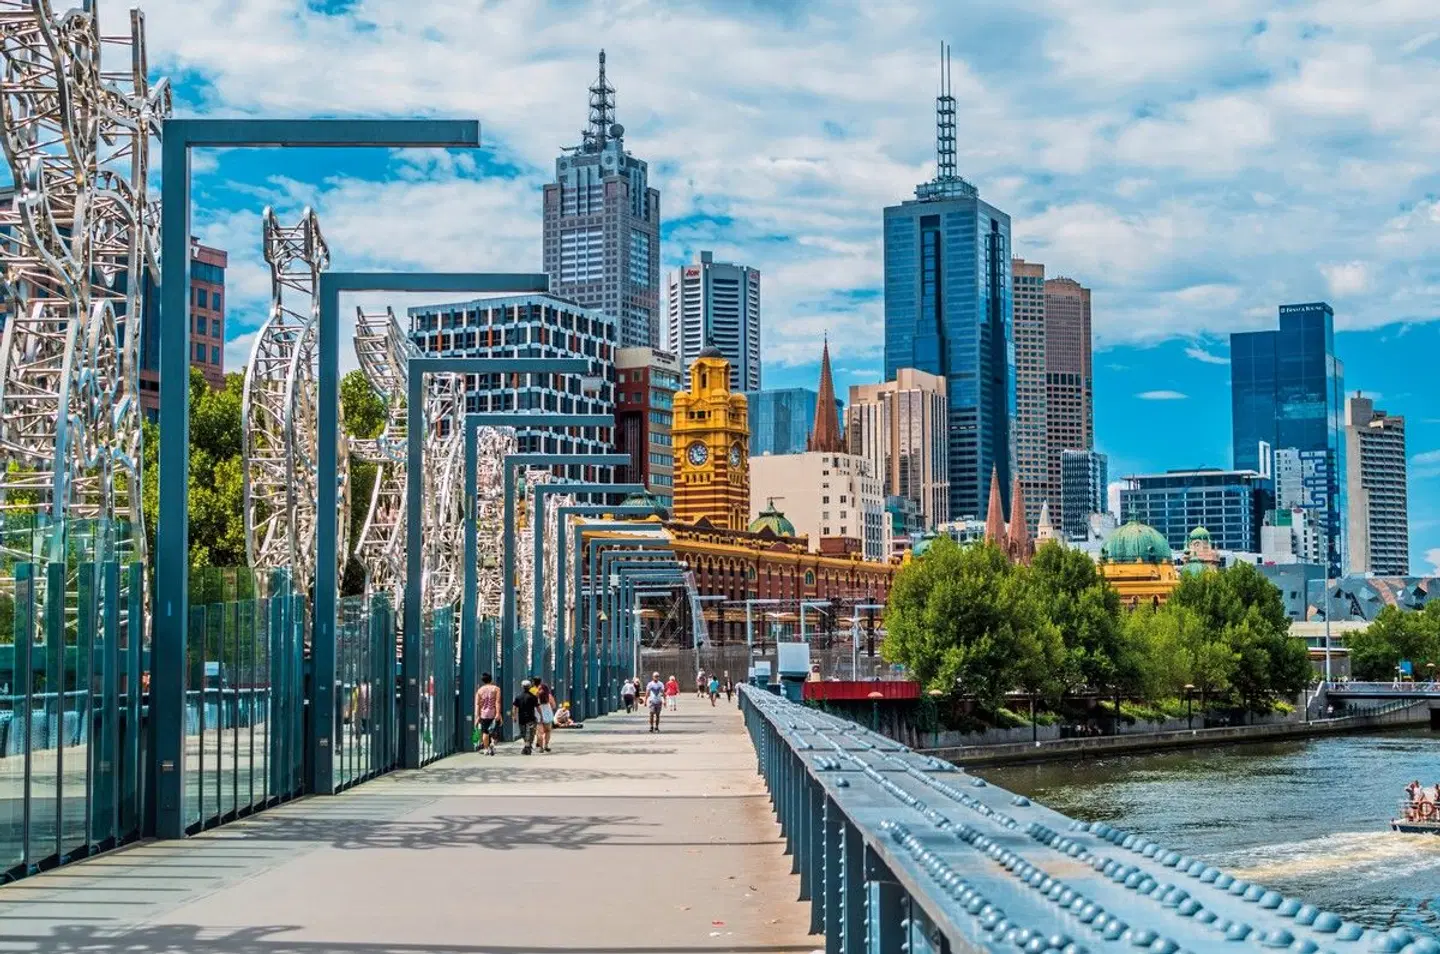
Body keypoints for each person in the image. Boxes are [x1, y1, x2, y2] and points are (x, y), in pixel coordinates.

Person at [475, 672, 501, 755]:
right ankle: (492, 744)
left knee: (485, 732)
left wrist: (477, 716)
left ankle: (486, 749)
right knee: (494, 731)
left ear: (483, 680)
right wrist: (498, 713)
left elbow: (478, 704)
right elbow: (497, 702)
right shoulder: (496, 689)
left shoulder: (480, 690)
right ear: (491, 679)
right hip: (493, 713)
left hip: (483, 714)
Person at [512, 679, 540, 754]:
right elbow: (538, 707)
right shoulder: (533, 697)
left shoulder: (518, 697)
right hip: (531, 718)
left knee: (523, 733)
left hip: (521, 718)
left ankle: (527, 746)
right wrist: (541, 715)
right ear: (530, 686)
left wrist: (514, 716)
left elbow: (514, 707)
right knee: (531, 732)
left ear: (522, 686)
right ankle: (528, 746)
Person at [535, 676, 556, 753]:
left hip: (537, 711)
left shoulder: (533, 692)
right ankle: (546, 745)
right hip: (547, 710)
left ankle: (540, 748)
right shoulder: (547, 693)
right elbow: (553, 704)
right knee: (548, 730)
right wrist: (552, 706)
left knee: (539, 732)